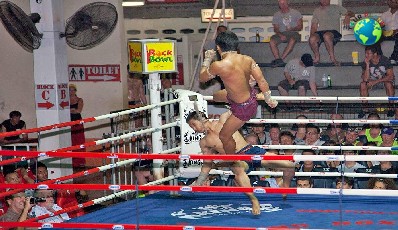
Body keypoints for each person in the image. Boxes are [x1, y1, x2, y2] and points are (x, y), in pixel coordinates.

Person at [186, 111, 295, 215]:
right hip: (236, 159)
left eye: (193, 125)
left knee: (289, 165)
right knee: (238, 171)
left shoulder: (223, 120)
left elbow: (239, 110)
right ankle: (254, 200)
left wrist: (235, 104)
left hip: (249, 150)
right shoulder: (205, 142)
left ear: (201, 119)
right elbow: (207, 164)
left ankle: (285, 185)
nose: (194, 129)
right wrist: (199, 182)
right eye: (192, 127)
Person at [200, 31, 278, 155]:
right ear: (236, 46)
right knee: (215, 96)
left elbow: (202, 78)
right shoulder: (248, 59)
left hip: (244, 107)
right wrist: (269, 99)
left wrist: (207, 59)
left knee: (224, 136)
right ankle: (248, 90)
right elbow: (261, 80)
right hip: (244, 98)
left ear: (218, 48)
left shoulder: (218, 65)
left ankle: (233, 161)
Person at [309, 0, 354, 65]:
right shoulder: (316, 10)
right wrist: (311, 38)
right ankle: (317, 57)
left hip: (334, 32)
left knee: (327, 36)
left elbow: (351, 13)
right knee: (312, 38)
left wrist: (348, 16)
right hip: (321, 32)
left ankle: (333, 59)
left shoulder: (336, 7)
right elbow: (314, 26)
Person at [359, 45, 395, 117]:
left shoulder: (384, 60)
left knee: (389, 84)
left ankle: (391, 108)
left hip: (384, 81)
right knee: (362, 84)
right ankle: (365, 108)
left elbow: (390, 76)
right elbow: (365, 79)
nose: (366, 55)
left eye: (368, 53)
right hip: (371, 82)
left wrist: (376, 81)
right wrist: (367, 65)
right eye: (366, 53)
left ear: (375, 54)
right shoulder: (365, 62)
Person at [269, 0, 303, 67]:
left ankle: (281, 59)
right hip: (281, 33)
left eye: (284, 3)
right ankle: (277, 58)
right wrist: (280, 34)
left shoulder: (296, 13)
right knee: (272, 41)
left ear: (288, 3)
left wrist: (292, 29)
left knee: (292, 40)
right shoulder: (276, 15)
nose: (283, 5)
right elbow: (276, 28)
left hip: (293, 33)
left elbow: (300, 27)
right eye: (281, 4)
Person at [69, 84, 86, 168]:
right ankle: (73, 162)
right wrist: (72, 110)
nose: (71, 92)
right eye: (70, 90)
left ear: (75, 91)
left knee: (79, 142)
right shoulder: (65, 101)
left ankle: (81, 161)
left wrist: (70, 111)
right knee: (71, 142)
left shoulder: (79, 100)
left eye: (73, 90)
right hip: (69, 124)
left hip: (78, 123)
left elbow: (78, 111)